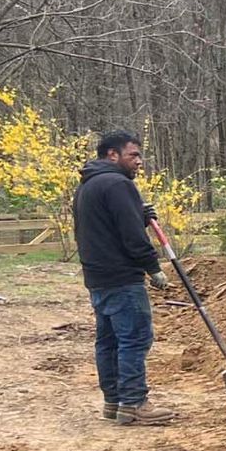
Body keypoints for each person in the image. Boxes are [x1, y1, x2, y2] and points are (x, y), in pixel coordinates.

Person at [72, 130, 176, 426]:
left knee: (108, 342)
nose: (139, 161)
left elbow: (105, 226)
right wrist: (152, 268)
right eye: (133, 155)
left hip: (97, 277)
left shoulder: (87, 186)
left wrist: (138, 215)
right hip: (122, 278)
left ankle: (114, 402)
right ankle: (134, 403)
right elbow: (131, 237)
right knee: (134, 339)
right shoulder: (118, 184)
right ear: (112, 155)